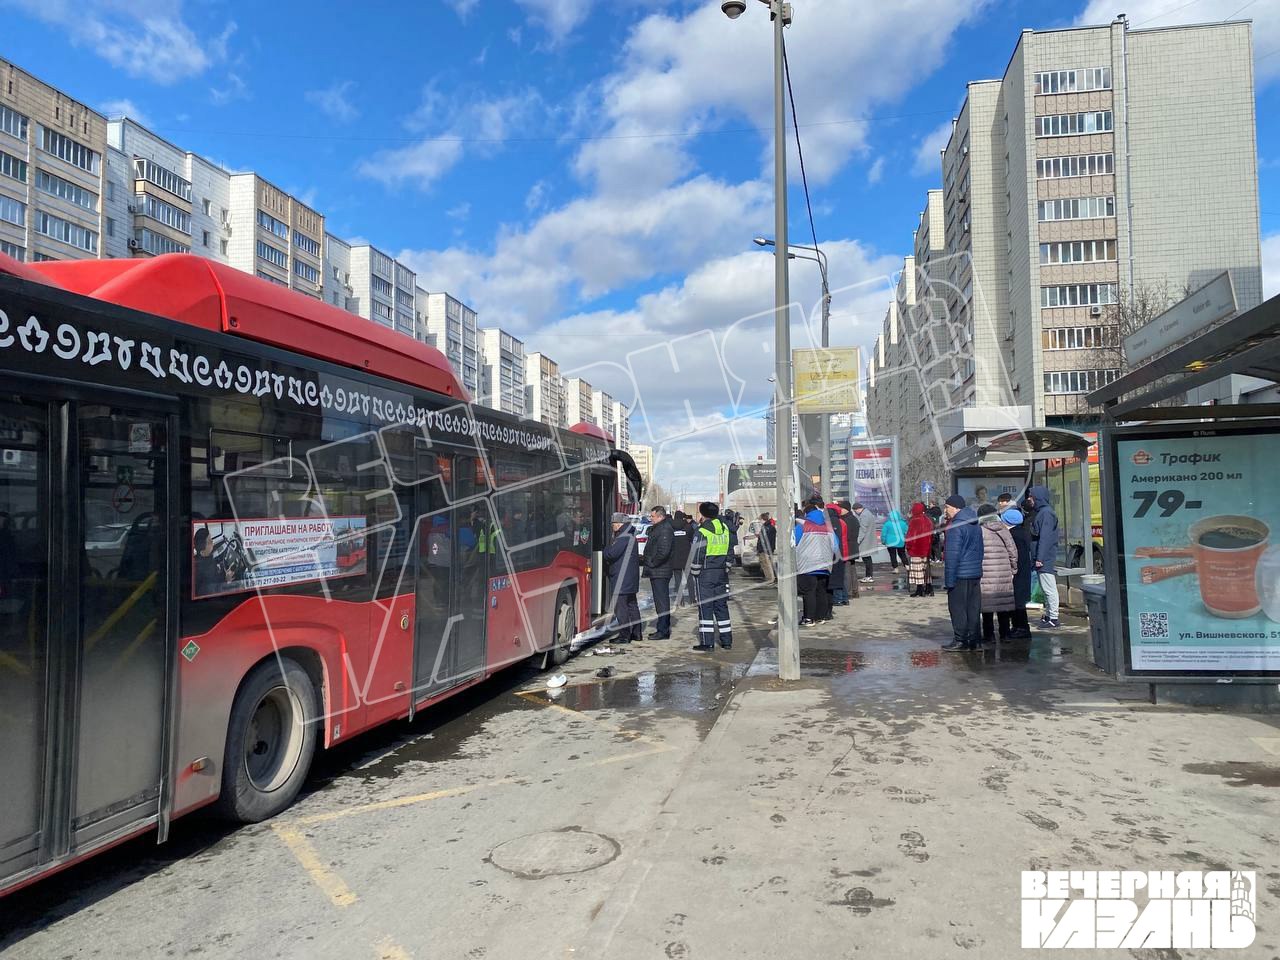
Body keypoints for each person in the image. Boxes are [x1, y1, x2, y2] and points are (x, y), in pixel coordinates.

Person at [689, 501, 733, 651]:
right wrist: (727, 565)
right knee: (721, 606)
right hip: (721, 573)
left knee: (705, 607)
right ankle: (727, 641)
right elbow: (730, 549)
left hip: (706, 574)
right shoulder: (725, 528)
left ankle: (707, 643)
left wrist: (695, 571)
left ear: (703, 514)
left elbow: (697, 553)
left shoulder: (702, 531)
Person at [942, 494, 983, 652]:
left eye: (947, 507)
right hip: (974, 573)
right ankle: (974, 640)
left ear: (956, 507)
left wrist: (949, 581)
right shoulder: (974, 523)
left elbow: (952, 555)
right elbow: (981, 549)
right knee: (973, 608)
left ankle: (960, 640)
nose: (946, 510)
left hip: (960, 573)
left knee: (958, 608)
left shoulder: (955, 526)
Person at [977, 503, 1019, 644]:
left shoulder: (980, 531)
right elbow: (1013, 551)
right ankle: (1005, 634)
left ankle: (989, 636)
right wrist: (1013, 569)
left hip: (986, 572)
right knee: (1003, 605)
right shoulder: (1003, 529)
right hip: (1004, 571)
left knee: (987, 606)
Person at [794, 498, 837, 625]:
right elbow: (835, 546)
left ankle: (808, 618)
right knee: (821, 590)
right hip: (825, 564)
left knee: (808, 592)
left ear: (806, 513)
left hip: (808, 564)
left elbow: (793, 543)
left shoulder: (802, 525)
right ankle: (820, 616)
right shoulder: (828, 527)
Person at [603, 512, 642, 643]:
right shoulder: (630, 534)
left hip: (622, 578)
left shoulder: (623, 537)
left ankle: (624, 635)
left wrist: (604, 551)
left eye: (613, 524)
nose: (612, 526)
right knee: (632, 605)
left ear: (619, 524)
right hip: (630, 578)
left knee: (621, 608)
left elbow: (612, 554)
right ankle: (637, 633)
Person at [1026, 485, 1061, 629]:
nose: (1029, 499)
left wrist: (1039, 558)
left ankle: (1053, 617)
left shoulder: (1045, 514)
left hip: (1044, 558)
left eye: (1032, 497)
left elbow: (1045, 538)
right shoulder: (1043, 512)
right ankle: (1049, 616)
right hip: (1042, 557)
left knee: (1049, 588)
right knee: (1046, 588)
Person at [999, 495, 1032, 638]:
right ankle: (1018, 627)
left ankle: (1022, 628)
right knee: (1018, 601)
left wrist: (1012, 570)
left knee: (1018, 603)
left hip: (1018, 573)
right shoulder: (1021, 532)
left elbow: (1015, 556)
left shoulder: (1014, 535)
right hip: (1022, 572)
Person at [643, 505, 675, 639]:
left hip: (660, 570)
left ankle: (663, 630)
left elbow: (663, 551)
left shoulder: (665, 529)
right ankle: (661, 629)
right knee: (659, 601)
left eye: (653, 516)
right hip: (657, 570)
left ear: (661, 517)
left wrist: (652, 563)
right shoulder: (658, 528)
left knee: (662, 602)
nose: (651, 519)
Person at [905, 502, 934, 597]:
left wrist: (908, 546)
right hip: (926, 549)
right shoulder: (927, 520)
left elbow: (911, 536)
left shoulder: (914, 521)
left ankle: (919, 589)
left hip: (916, 549)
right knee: (924, 569)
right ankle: (928, 588)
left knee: (917, 570)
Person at [826, 502, 849, 606]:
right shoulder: (842, 522)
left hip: (837, 552)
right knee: (841, 576)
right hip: (844, 551)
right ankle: (844, 598)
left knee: (835, 576)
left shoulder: (831, 522)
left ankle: (838, 598)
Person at [670, 510, 694, 605]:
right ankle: (692, 599)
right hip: (687, 555)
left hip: (675, 556)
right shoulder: (687, 526)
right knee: (689, 578)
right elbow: (692, 538)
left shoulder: (671, 527)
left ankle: (681, 600)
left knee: (678, 579)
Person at [851, 502, 877, 584]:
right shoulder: (867, 513)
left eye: (855, 511)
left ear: (858, 509)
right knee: (867, 558)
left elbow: (863, 530)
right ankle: (869, 576)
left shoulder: (864, 515)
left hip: (865, 541)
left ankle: (869, 576)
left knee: (867, 559)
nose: (855, 513)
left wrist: (857, 540)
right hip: (868, 540)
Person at [881, 507, 908, 581]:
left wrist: (883, 541)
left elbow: (884, 533)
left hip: (890, 542)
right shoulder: (903, 523)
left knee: (892, 555)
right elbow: (907, 532)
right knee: (902, 554)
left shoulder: (887, 524)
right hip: (901, 541)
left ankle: (895, 568)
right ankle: (907, 566)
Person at [757, 512, 777, 584]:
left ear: (763, 519)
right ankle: (771, 578)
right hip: (770, 548)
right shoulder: (771, 527)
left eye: (760, 520)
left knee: (766, 565)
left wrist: (760, 548)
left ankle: (770, 579)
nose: (759, 521)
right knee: (769, 565)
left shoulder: (765, 527)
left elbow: (763, 539)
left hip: (764, 549)